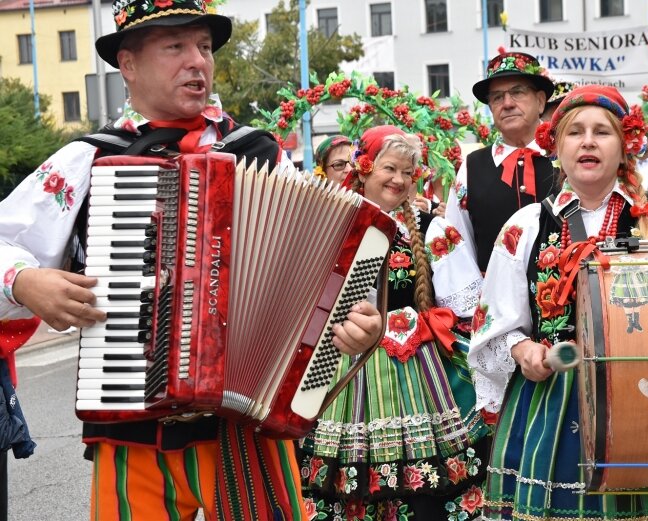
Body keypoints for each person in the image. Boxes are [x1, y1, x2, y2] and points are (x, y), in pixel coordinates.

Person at [0, 1, 383, 519]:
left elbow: (322, 274)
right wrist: (24, 280)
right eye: (175, 46)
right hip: (131, 421)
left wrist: (353, 322)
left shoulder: (260, 155)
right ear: (128, 63)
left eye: (203, 46)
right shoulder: (92, 158)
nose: (197, 61)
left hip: (245, 429)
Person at [467, 84, 648, 520]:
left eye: (602, 132)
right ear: (557, 148)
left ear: (625, 149)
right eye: (575, 132)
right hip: (554, 406)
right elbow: (495, 321)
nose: (587, 141)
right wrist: (522, 350)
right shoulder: (526, 225)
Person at [298, 125, 490, 520]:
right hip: (345, 365)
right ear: (364, 169)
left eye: (408, 172)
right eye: (390, 168)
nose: (400, 180)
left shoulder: (429, 229)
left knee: (428, 489)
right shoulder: (329, 221)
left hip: (417, 368)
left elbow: (469, 304)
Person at [446, 51, 557, 273]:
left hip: (564, 301)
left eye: (517, 92)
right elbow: (457, 245)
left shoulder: (565, 157)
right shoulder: (472, 166)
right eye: (497, 97)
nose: (507, 103)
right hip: (495, 302)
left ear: (541, 101)